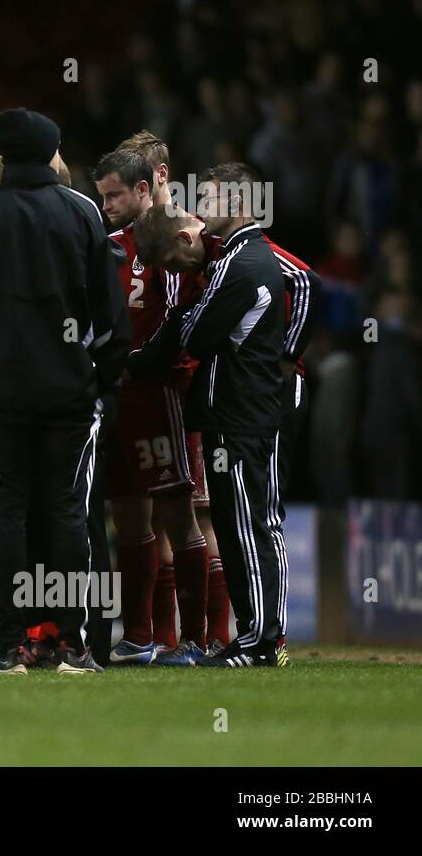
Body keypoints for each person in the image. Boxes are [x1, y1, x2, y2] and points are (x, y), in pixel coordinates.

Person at [0, 108, 129, 674]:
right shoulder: (82, 212)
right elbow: (108, 313)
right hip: (71, 393)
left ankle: (10, 645)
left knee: (8, 515)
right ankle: (72, 642)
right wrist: (101, 375)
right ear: (50, 151)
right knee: (70, 513)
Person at [128, 168, 289, 668]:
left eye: (212, 198)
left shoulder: (240, 263)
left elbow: (194, 335)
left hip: (241, 415)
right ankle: (257, 637)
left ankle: (262, 640)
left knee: (248, 524)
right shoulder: (238, 259)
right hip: (236, 414)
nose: (202, 208)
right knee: (244, 521)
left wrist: (292, 364)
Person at [93, 147, 209, 665]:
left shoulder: (173, 241)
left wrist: (139, 363)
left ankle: (196, 639)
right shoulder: (106, 246)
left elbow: (181, 322)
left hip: (161, 396)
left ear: (144, 190)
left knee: (179, 517)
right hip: (116, 399)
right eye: (103, 195)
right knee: (130, 519)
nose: (109, 204)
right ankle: (139, 637)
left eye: (116, 194)